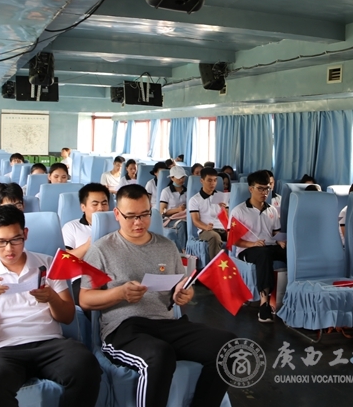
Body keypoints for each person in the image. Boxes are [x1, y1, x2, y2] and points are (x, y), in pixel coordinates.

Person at [79, 185, 236, 407]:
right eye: (131, 216)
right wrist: (119, 293)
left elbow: (179, 286)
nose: (138, 222)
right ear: (117, 214)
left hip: (166, 323)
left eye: (144, 215)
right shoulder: (101, 250)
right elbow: (85, 300)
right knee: (160, 355)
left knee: (227, 348)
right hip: (124, 328)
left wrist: (184, 293)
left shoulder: (167, 246)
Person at [0, 205, 101, 406]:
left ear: (25, 234)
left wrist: (52, 298)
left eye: (15, 240)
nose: (9, 249)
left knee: (85, 365)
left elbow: (67, 317)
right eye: (0, 242)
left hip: (50, 344)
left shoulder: (48, 265)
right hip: (5, 349)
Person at [229, 170, 286, 323]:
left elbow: (275, 232)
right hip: (247, 249)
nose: (264, 192)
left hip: (269, 245)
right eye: (260, 188)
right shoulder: (239, 211)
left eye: (267, 188)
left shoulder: (272, 210)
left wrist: (280, 241)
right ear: (251, 188)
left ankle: (292, 298)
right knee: (263, 254)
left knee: (290, 252)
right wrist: (252, 243)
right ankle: (264, 303)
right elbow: (233, 240)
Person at [188, 167, 228, 260]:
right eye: (209, 180)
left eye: (215, 180)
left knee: (238, 236)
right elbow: (196, 221)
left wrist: (224, 209)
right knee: (215, 237)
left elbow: (228, 217)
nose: (213, 183)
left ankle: (237, 265)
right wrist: (206, 227)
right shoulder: (195, 200)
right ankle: (215, 266)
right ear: (202, 180)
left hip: (223, 228)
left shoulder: (221, 196)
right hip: (206, 230)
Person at [61, 183, 110, 257]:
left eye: (104, 203)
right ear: (83, 207)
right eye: (95, 204)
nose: (100, 208)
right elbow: (65, 258)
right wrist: (87, 245)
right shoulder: (71, 227)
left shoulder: (118, 226)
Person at [159, 165, 188, 252]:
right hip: (169, 219)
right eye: (179, 178)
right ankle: (183, 250)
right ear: (172, 178)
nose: (181, 180)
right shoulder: (166, 191)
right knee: (182, 224)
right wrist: (177, 210)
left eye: (183, 177)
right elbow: (162, 211)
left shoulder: (187, 191)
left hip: (184, 216)